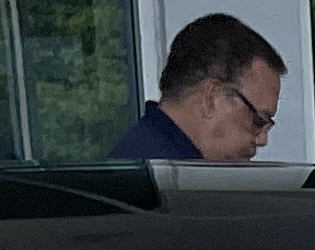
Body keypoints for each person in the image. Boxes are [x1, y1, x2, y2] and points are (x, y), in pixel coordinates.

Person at [108, 15, 286, 163]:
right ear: (212, 98)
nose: (262, 140)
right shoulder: (166, 184)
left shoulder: (142, 161)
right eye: (258, 121)